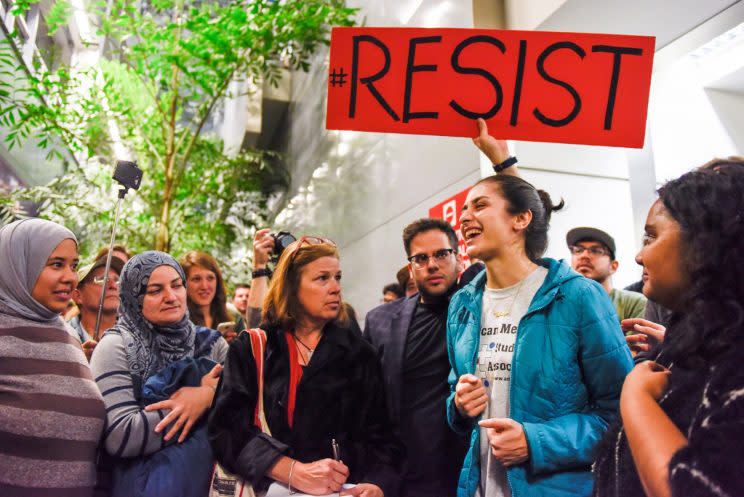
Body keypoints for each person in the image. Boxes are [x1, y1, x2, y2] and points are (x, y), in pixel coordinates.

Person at [447, 119, 633, 497]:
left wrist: (537, 441)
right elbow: (454, 387)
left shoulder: (577, 296)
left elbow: (622, 413)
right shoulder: (462, 304)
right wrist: (459, 404)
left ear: (521, 218)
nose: (465, 217)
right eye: (464, 209)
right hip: (479, 486)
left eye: (480, 205)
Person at [593, 158, 744, 497]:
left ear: (704, 242)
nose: (639, 256)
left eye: (651, 237)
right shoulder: (694, 344)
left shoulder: (733, 360)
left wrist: (637, 399)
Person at [209, 237, 403, 497]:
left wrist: (377, 484)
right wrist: (289, 470)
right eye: (322, 278)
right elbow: (225, 429)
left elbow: (383, 439)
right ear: (291, 287)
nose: (335, 288)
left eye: (338, 277)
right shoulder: (253, 348)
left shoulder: (359, 354)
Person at [90, 251, 228, 496]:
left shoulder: (211, 343)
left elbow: (241, 406)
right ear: (134, 297)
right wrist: (187, 408)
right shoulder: (117, 346)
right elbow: (121, 435)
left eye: (177, 285)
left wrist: (207, 395)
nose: (171, 297)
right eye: (155, 290)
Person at [0, 218, 105, 496]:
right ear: (17, 266)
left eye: (73, 265)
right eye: (56, 264)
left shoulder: (66, 336)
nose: (71, 277)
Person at [364, 218, 468, 497]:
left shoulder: (479, 308)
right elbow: (367, 403)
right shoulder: (380, 320)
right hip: (403, 472)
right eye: (421, 258)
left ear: (458, 258)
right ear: (411, 268)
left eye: (441, 254)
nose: (432, 264)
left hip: (465, 469)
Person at [567, 226, 647, 320]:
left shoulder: (634, 303)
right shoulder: (558, 306)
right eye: (578, 250)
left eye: (596, 251)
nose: (584, 255)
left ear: (613, 266)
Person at [69, 255, 125, 359]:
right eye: (102, 280)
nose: (113, 285)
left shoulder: (138, 337)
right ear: (77, 296)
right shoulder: (63, 337)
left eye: (118, 280)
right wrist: (76, 362)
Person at [180, 250, 232, 329]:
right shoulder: (176, 322)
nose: (204, 286)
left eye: (210, 278)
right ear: (184, 284)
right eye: (196, 279)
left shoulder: (232, 317)